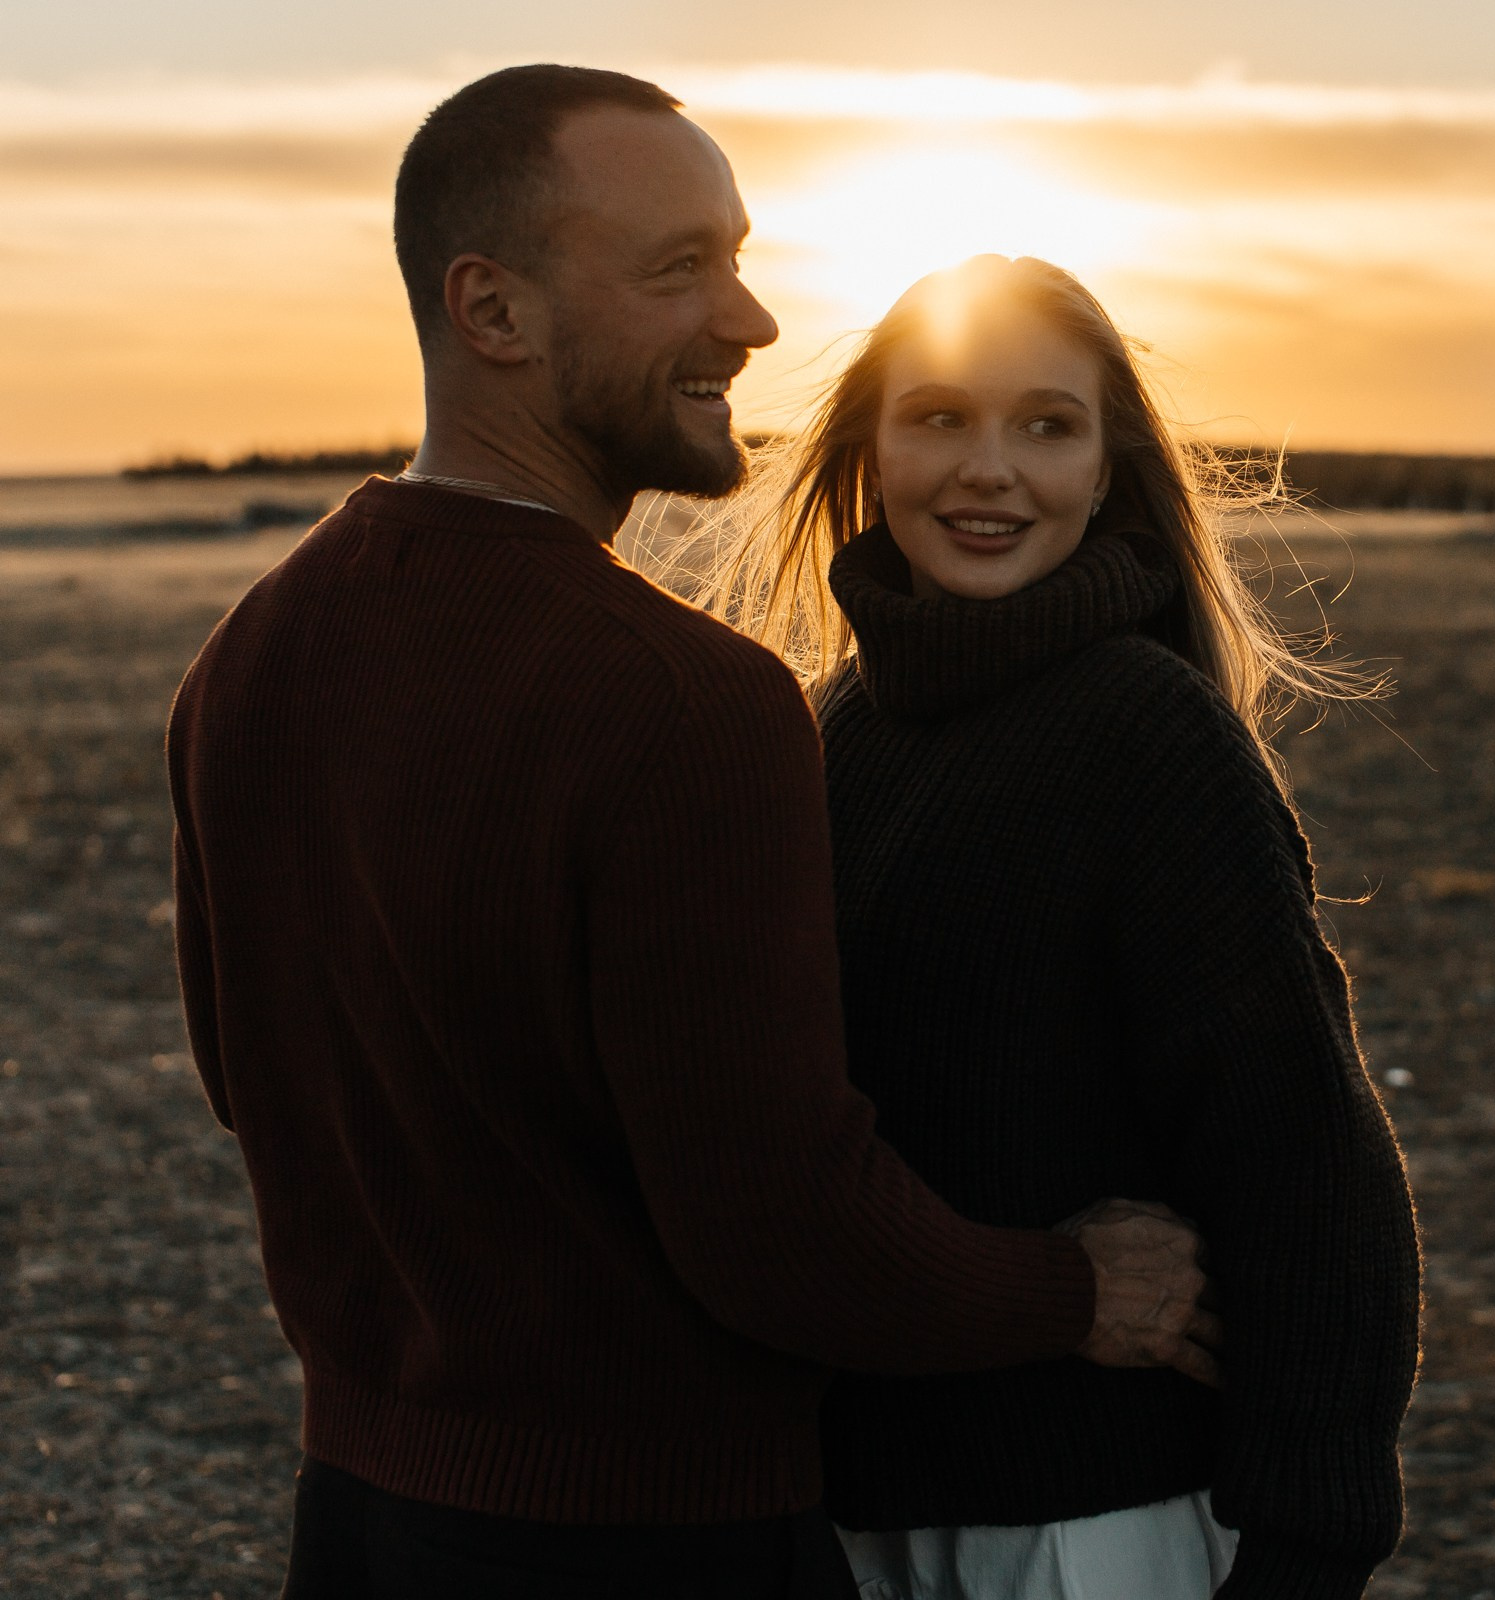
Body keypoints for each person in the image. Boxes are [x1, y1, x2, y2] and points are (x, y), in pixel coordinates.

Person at [165, 67, 1216, 1600]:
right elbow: (784, 1229)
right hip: (653, 1541)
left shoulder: (249, 656)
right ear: (494, 310)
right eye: (681, 271)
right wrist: (1074, 1290)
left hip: (364, 1522)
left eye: (738, 254)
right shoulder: (685, 703)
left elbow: (245, 1087)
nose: (752, 321)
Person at [698, 254, 1422, 1600]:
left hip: (1088, 1524)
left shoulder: (1145, 734)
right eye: (939, 418)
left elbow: (1304, 1155)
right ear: (868, 448)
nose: (989, 469)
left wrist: (1311, 1541)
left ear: (1108, 468)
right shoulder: (826, 733)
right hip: (855, 1515)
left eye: (1046, 425)